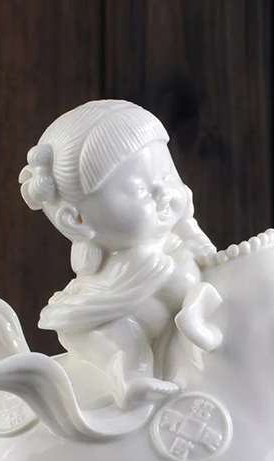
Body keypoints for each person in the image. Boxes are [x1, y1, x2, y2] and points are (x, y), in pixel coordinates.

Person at [19, 100, 216, 408]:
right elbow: (183, 287)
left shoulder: (175, 239)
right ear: (77, 220)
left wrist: (198, 244)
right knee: (125, 346)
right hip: (97, 326)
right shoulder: (140, 262)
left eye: (167, 174)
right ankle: (131, 381)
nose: (163, 192)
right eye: (138, 189)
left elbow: (203, 258)